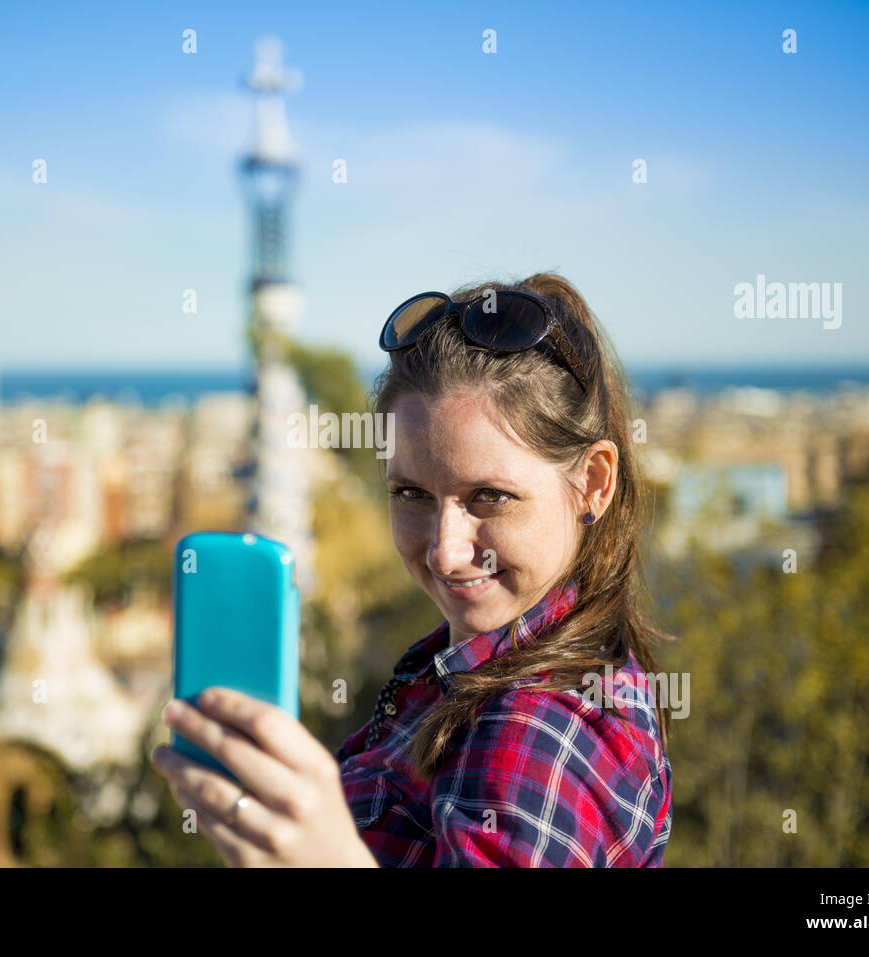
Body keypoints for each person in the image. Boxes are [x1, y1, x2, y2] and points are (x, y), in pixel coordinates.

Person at [151, 271, 674, 867]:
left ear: (594, 483)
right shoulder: (487, 671)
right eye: (410, 493)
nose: (444, 551)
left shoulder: (534, 732)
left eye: (491, 496)